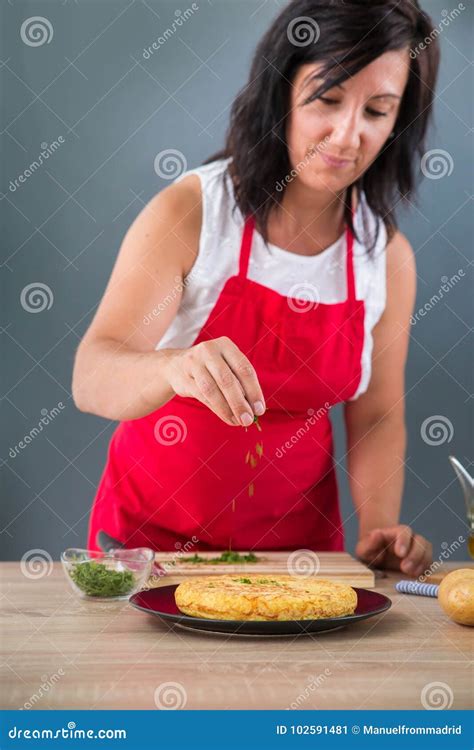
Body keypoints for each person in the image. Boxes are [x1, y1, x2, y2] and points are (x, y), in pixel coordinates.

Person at [73, 0, 439, 577]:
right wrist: (172, 367)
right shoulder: (192, 212)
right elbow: (92, 376)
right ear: (281, 92)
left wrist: (378, 531)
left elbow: (375, 416)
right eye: (328, 99)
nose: (348, 135)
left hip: (296, 563)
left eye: (377, 110)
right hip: (151, 551)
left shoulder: (386, 257)